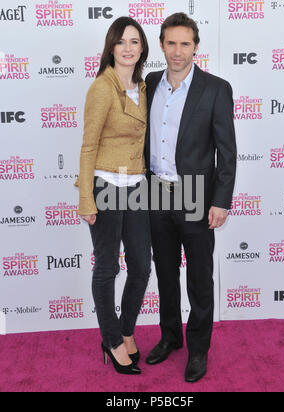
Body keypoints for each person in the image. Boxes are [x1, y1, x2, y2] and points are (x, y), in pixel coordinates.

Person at [145, 13, 237, 382]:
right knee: (165, 272)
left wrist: (221, 200)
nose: (177, 51)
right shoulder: (150, 83)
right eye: (171, 43)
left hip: (197, 195)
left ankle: (198, 348)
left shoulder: (216, 88)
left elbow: (226, 151)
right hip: (154, 192)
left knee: (199, 277)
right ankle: (170, 337)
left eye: (185, 43)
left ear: (196, 46)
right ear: (162, 45)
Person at [75, 17, 151, 375]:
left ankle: (126, 329)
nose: (128, 48)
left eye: (134, 41)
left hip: (135, 186)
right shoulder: (101, 88)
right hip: (105, 186)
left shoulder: (145, 87)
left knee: (140, 265)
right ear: (111, 47)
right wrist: (86, 199)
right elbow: (89, 145)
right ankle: (111, 338)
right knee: (107, 267)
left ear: (142, 48)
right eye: (121, 42)